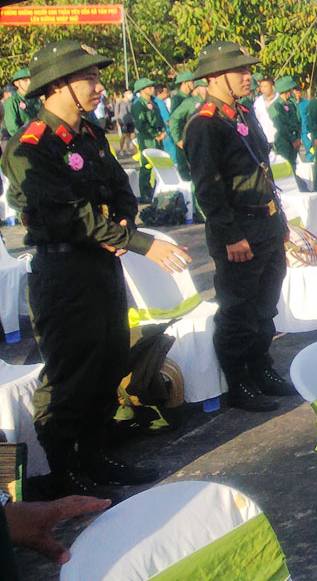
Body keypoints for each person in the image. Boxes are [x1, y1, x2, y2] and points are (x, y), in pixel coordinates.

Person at [4, 40, 190, 499]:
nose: (99, 86)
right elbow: (74, 216)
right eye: (89, 77)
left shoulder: (87, 134)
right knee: (72, 373)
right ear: (58, 85)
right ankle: (65, 469)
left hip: (102, 268)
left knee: (108, 362)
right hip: (64, 274)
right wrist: (141, 243)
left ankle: (96, 453)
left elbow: (119, 188)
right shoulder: (29, 148)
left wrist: (126, 217)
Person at [185, 42, 294, 413]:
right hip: (239, 229)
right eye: (240, 71)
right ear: (215, 77)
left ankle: (261, 367)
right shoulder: (205, 124)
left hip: (264, 222)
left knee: (265, 304)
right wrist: (231, 235)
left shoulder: (242, 114)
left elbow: (261, 171)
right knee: (238, 309)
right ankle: (239, 381)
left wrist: (279, 221)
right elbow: (208, 188)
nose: (249, 77)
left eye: (249, 70)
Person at [130, 78, 166, 202]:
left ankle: (158, 191)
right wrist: (154, 134)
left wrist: (163, 131)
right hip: (147, 138)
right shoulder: (138, 105)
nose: (152, 88)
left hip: (158, 138)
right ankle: (145, 193)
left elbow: (159, 119)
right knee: (146, 166)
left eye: (152, 86)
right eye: (148, 87)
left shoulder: (155, 103)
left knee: (160, 165)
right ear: (141, 90)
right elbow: (141, 124)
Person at [169, 78, 208, 183]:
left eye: (208, 86)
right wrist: (178, 139)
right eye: (203, 87)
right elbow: (174, 119)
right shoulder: (190, 102)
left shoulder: (212, 101)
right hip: (194, 143)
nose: (206, 89)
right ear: (198, 88)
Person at [270, 76, 304, 176]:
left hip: (294, 140)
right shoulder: (276, 106)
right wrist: (292, 139)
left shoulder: (291, 104)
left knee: (293, 165)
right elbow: (280, 126)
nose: (293, 92)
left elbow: (297, 122)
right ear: (286, 91)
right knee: (286, 165)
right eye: (291, 90)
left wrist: (298, 137)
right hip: (283, 140)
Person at [2, 69, 35, 139]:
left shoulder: (36, 99)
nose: (29, 83)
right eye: (25, 80)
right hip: (20, 143)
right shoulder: (11, 102)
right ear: (16, 83)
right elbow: (12, 128)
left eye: (30, 79)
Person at [252, 73, 279, 143]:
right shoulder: (258, 102)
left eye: (265, 86)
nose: (263, 89)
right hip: (265, 138)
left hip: (280, 138)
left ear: (273, 87)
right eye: (261, 87)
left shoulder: (279, 100)